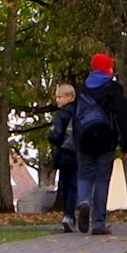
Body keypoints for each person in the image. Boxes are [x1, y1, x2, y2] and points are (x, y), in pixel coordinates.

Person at [70, 52, 127, 235]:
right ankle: (98, 223)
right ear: (107, 68)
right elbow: (122, 118)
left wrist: (76, 141)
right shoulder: (114, 88)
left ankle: (84, 201)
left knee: (84, 175)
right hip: (107, 139)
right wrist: (125, 145)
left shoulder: (81, 89)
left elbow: (75, 117)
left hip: (85, 139)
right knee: (102, 179)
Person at [49, 84, 79, 229]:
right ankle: (70, 214)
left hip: (64, 153)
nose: (57, 100)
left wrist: (53, 137)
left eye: (60, 97)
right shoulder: (80, 112)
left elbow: (55, 135)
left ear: (69, 97)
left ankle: (67, 214)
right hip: (78, 153)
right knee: (74, 185)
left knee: (65, 185)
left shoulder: (62, 114)